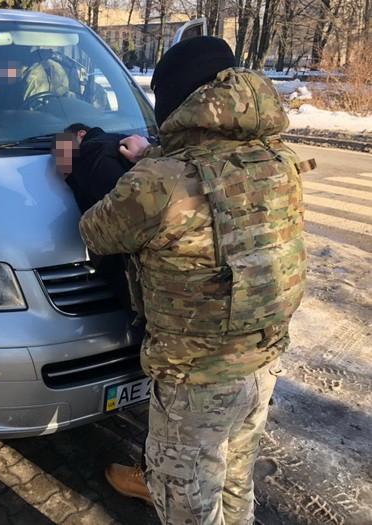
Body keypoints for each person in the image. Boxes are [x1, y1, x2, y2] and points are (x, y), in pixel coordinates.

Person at [79, 36, 312, 524]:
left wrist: (134, 167)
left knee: (186, 500)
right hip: (263, 359)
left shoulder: (160, 182)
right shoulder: (277, 158)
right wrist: (151, 158)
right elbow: (209, 186)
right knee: (234, 478)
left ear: (179, 102)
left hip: (196, 375)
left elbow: (97, 233)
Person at [53, 123, 150, 312]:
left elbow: (124, 214)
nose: (60, 160)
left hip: (133, 262)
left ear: (81, 134)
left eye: (62, 148)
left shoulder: (89, 150)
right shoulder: (127, 139)